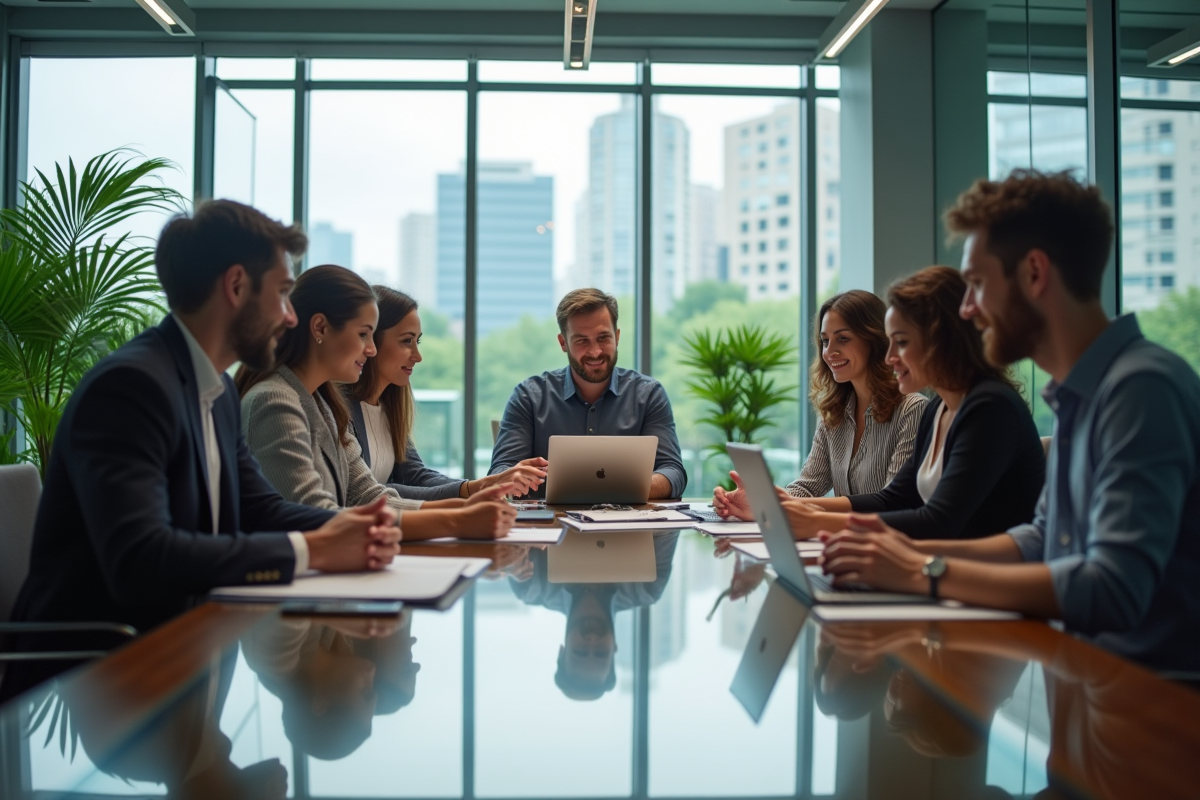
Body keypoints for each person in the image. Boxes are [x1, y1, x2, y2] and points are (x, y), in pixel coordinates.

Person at [2, 201, 401, 700]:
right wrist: (315, 547)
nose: (290, 315)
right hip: (96, 688)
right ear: (236, 286)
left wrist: (348, 529)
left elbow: (261, 509)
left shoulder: (214, 393)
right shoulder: (131, 387)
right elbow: (142, 559)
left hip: (184, 660)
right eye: (281, 293)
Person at [819, 169, 1200, 677]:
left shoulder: (1140, 389)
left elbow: (1111, 589)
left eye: (976, 284)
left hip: (1149, 705)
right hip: (1084, 687)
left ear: (1034, 273)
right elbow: (1041, 539)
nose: (968, 310)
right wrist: (886, 554)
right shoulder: (1081, 393)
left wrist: (924, 572)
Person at [236, 265, 516, 541]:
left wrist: (463, 507)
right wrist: (455, 520)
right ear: (319, 327)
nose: (370, 350)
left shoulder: (323, 404)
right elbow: (315, 515)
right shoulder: (275, 401)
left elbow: (366, 495)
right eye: (363, 334)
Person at [773, 266, 1045, 541]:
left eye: (901, 342)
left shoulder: (990, 408)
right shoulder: (938, 409)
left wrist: (820, 522)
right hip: (946, 567)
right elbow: (891, 500)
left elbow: (938, 521)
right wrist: (786, 506)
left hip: (979, 577)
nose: (889, 357)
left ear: (941, 340)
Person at [712, 290, 927, 519]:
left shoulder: (912, 409)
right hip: (845, 543)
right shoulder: (833, 413)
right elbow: (807, 486)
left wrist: (779, 503)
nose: (829, 351)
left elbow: (892, 502)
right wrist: (759, 503)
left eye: (843, 338)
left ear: (874, 340)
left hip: (889, 546)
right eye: (825, 341)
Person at [346, 285, 547, 500]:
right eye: (407, 341)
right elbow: (373, 489)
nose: (417, 355)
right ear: (371, 341)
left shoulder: (388, 409)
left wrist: (481, 485)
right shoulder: (340, 409)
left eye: (417, 341)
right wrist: (480, 487)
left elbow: (416, 476)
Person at [489, 288, 686, 500]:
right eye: (582, 340)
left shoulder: (649, 395)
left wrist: (632, 487)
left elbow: (673, 472)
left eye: (603, 338)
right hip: (548, 528)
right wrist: (513, 477)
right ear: (563, 343)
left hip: (625, 526)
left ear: (617, 337)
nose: (595, 351)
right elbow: (499, 473)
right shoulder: (528, 396)